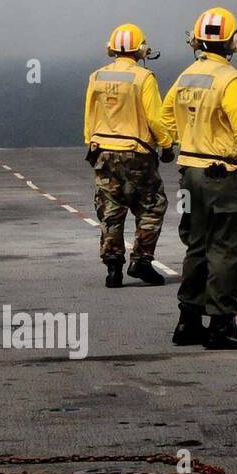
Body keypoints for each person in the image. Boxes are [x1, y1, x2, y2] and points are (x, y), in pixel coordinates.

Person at [161, 7, 237, 350]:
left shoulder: (185, 77)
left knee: (196, 245)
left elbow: (164, 120)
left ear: (196, 40)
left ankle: (188, 322)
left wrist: (183, 140)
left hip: (188, 175)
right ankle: (221, 326)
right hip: (222, 176)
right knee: (227, 249)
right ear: (234, 42)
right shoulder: (230, 80)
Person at [83, 23, 172, 288]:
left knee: (110, 209)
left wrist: (93, 143)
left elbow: (89, 117)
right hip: (135, 153)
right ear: (141, 49)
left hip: (102, 151)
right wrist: (166, 144)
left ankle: (113, 268)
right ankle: (142, 261)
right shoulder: (144, 78)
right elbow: (155, 117)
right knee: (152, 205)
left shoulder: (96, 77)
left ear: (111, 49)